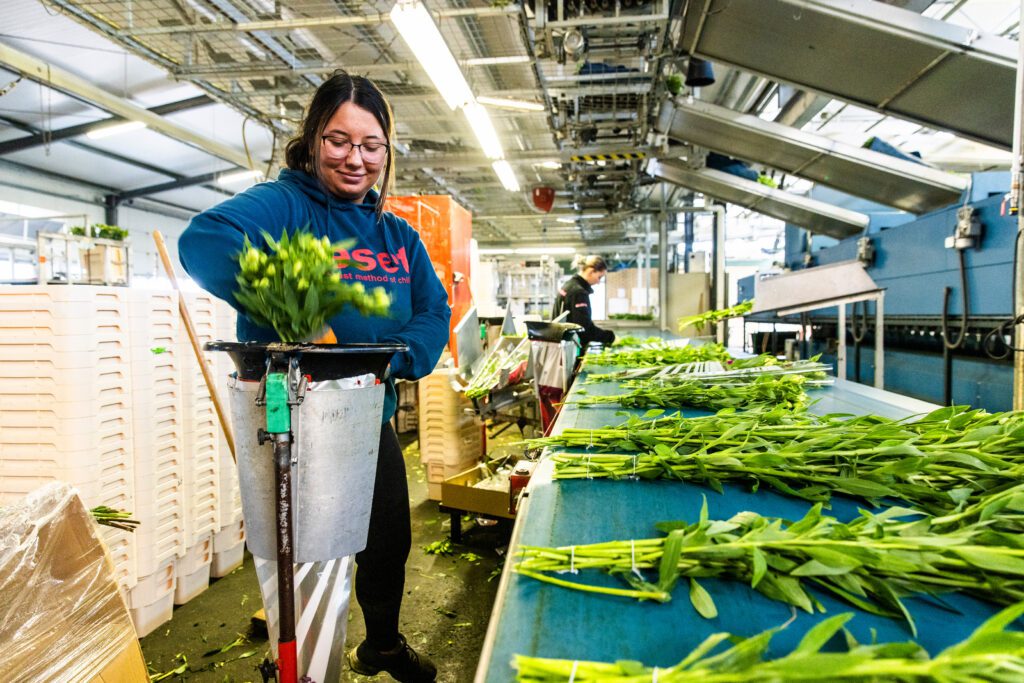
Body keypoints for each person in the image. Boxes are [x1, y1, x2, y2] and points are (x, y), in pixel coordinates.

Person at [178, 70, 448, 683]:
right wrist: (294, 306)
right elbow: (205, 240)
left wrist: (397, 355)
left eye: (371, 145)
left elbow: (434, 310)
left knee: (387, 539)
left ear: (387, 151)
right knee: (304, 556)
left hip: (368, 413)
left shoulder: (396, 234)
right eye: (339, 141)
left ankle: (381, 646)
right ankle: (296, 664)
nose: (355, 159)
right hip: (291, 422)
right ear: (312, 138)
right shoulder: (284, 205)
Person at [551, 254, 615, 352]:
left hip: (562, 345)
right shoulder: (578, 292)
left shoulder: (569, 286)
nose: (598, 282)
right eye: (599, 277)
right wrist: (609, 337)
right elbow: (584, 329)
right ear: (591, 271)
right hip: (570, 349)